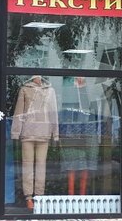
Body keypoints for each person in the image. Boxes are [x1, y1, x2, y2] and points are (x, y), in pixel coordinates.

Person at [10, 75, 58, 209]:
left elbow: (53, 113)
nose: (38, 78)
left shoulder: (50, 90)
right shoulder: (25, 89)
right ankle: (29, 197)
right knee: (27, 166)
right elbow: (19, 111)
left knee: (41, 166)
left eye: (39, 76)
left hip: (44, 133)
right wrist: (16, 132)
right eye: (36, 76)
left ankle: (39, 196)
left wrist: (55, 133)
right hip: (27, 133)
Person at [60, 77, 98, 195]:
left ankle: (82, 196)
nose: (80, 79)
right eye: (77, 78)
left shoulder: (89, 92)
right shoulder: (67, 90)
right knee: (72, 166)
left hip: (88, 132)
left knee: (85, 167)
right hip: (72, 132)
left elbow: (91, 110)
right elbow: (65, 112)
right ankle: (71, 196)